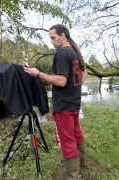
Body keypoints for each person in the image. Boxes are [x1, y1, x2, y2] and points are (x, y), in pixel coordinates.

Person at [24, 24, 87, 179]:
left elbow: (61, 81)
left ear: (63, 35)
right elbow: (84, 74)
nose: (51, 41)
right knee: (76, 134)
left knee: (67, 140)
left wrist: (38, 73)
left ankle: (73, 175)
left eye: (53, 37)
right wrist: (75, 89)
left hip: (64, 105)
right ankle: (82, 164)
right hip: (74, 103)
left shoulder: (62, 54)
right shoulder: (74, 52)